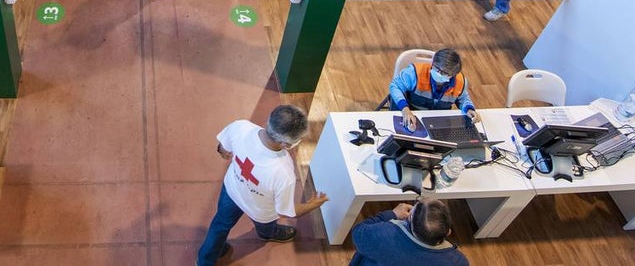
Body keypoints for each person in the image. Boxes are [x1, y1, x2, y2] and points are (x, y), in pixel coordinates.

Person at [195, 105, 328, 265]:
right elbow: (286, 211)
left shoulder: (240, 127)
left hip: (231, 190)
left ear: (269, 120)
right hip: (260, 210)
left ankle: (205, 260)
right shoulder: (283, 172)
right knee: (266, 226)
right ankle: (268, 233)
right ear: (286, 144)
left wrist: (225, 152)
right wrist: (314, 203)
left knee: (219, 225)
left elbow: (223, 149)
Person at [349, 199, 470, 265]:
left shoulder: (383, 234)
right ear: (448, 232)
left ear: (409, 219)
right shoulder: (459, 262)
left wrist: (392, 214)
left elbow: (358, 232)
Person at [389, 48, 479, 130]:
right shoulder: (414, 72)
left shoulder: (460, 82)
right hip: (413, 114)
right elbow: (395, 86)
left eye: (444, 72)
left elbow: (463, 98)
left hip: (438, 121)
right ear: (433, 63)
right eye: (436, 68)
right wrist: (405, 110)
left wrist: (469, 109)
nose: (439, 73)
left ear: (453, 74)